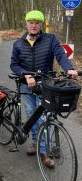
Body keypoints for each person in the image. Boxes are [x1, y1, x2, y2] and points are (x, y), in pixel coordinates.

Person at [10, 10, 78, 168]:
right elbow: (14, 64)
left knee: (44, 117)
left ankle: (42, 150)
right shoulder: (18, 43)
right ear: (26, 24)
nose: (33, 25)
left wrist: (69, 69)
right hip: (27, 85)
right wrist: (26, 75)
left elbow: (60, 55)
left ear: (41, 25)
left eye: (37, 22)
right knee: (32, 116)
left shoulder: (50, 39)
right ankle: (39, 146)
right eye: (31, 22)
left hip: (46, 85)